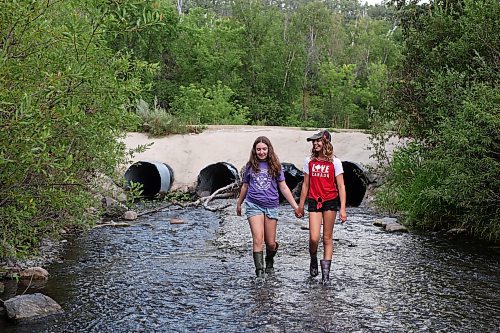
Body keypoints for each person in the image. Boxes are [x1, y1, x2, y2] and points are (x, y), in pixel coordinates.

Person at [237, 136, 302, 277]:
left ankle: (270, 259)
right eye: (258, 149)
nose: (261, 152)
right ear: (254, 150)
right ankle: (259, 273)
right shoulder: (250, 166)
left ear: (269, 149)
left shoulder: (275, 165)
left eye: (264, 149)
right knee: (258, 239)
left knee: (271, 243)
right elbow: (245, 186)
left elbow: (283, 187)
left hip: (271, 206)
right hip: (253, 205)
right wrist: (239, 203)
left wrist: (296, 207)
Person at [298, 130, 347, 284]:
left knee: (327, 238)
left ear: (326, 142)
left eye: (318, 141)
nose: (315, 143)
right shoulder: (309, 161)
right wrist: (300, 206)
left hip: (330, 201)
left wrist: (343, 209)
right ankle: (313, 258)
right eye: (314, 141)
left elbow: (341, 186)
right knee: (314, 238)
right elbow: (305, 185)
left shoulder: (335, 162)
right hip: (314, 201)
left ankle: (326, 276)